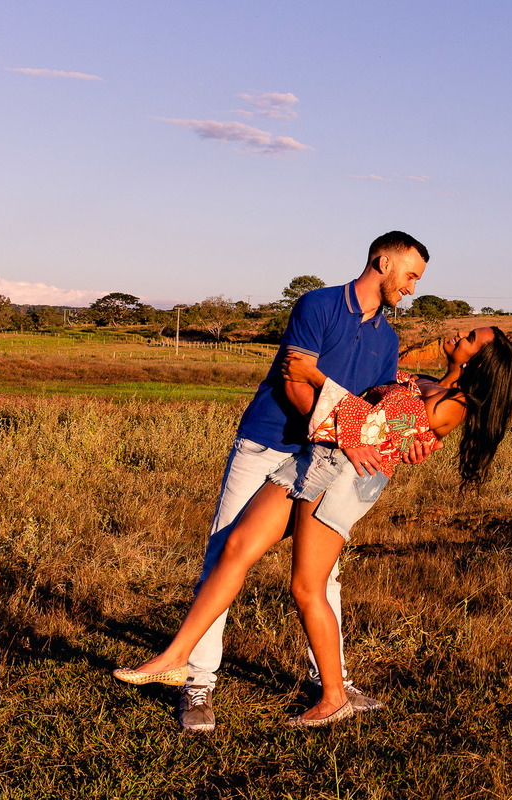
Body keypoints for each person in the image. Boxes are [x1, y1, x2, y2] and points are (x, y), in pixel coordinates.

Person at [114, 327, 512, 727]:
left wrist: (315, 376)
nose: (460, 334)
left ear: (477, 360)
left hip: (345, 477)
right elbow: (368, 395)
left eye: (471, 338)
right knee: (235, 546)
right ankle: (175, 658)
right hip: (316, 457)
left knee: (308, 586)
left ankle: (333, 696)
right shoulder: (428, 383)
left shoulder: (452, 405)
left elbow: (371, 428)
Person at [168, 231, 435, 733]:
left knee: (321, 573)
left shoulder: (387, 338)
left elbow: (378, 400)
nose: (413, 287)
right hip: (270, 442)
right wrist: (350, 434)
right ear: (383, 261)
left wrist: (411, 433)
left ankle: (329, 681)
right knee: (226, 551)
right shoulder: (319, 306)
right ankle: (198, 681)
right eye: (411, 275)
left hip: (325, 458)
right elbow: (294, 385)